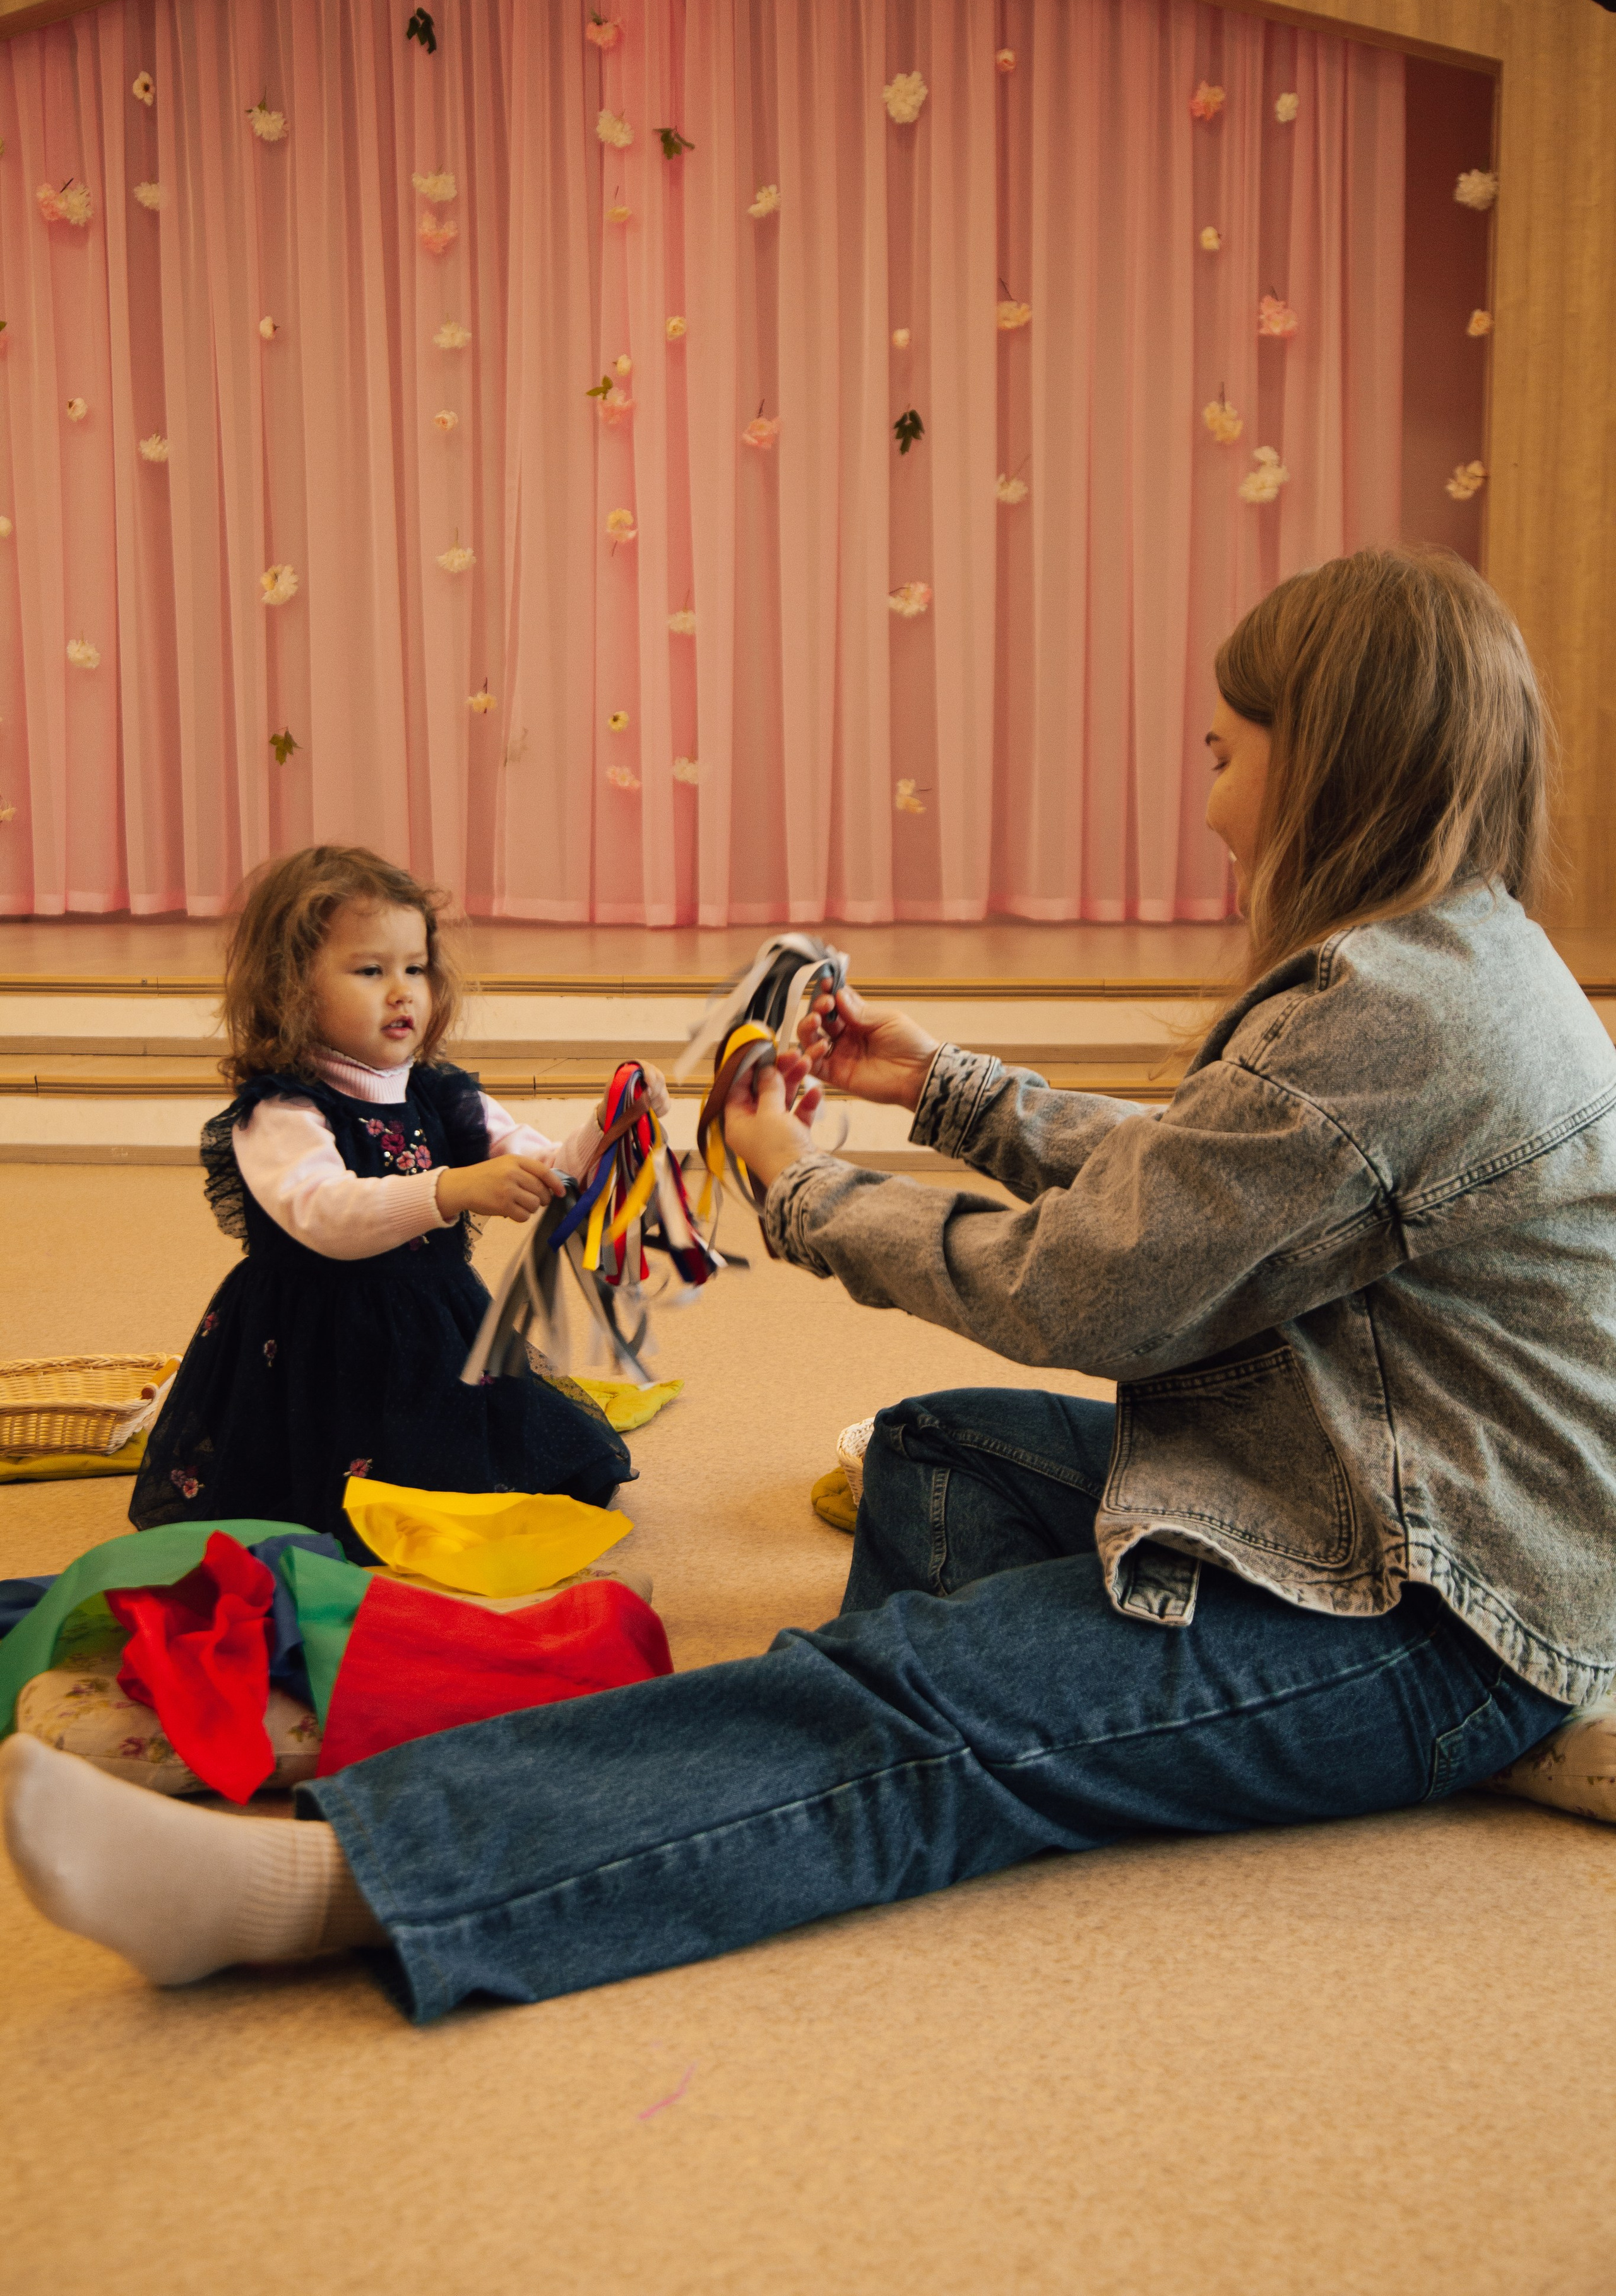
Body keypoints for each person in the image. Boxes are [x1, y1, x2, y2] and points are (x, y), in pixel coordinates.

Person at [6, 548, 1613, 2023]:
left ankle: (337, 1875)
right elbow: (1220, 1176)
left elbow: (1097, 1290)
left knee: (909, 1704)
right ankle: (881, 1765)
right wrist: (945, 1088)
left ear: (1326, 759)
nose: (1206, 803)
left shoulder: (1387, 1015)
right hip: (1346, 1497)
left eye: (1221, 753)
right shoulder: (1439, 963)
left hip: (1421, 1606)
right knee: (935, 1450)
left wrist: (805, 1188)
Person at [127, 844, 668, 1544]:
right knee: (334, 1504)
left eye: (415, 969)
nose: (402, 990)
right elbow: (324, 1214)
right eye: (369, 970)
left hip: (432, 1325)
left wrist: (608, 1122)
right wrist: (449, 1189)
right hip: (318, 1346)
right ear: (291, 986)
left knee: (495, 1467)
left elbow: (545, 1167)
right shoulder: (282, 1110)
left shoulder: (438, 1093)